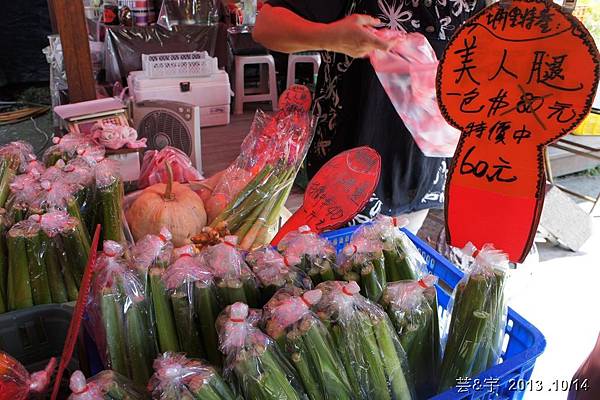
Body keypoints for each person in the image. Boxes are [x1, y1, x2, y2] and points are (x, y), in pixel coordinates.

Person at [253, 0, 485, 233]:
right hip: (347, 171)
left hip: (424, 171)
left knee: (397, 256)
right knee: (338, 260)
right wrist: (329, 38)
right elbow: (266, 27)